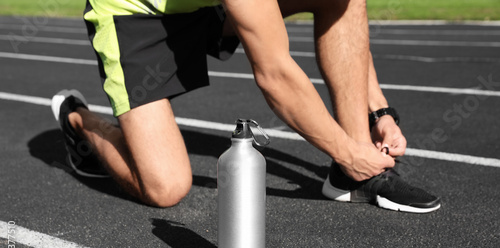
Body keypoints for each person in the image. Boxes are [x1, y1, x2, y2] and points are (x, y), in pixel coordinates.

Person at [51, 0, 440, 213]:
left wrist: (379, 112)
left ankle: (351, 176)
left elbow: (348, 22)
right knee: (165, 188)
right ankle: (79, 121)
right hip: (136, 15)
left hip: (207, 6)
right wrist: (346, 150)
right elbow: (274, 73)